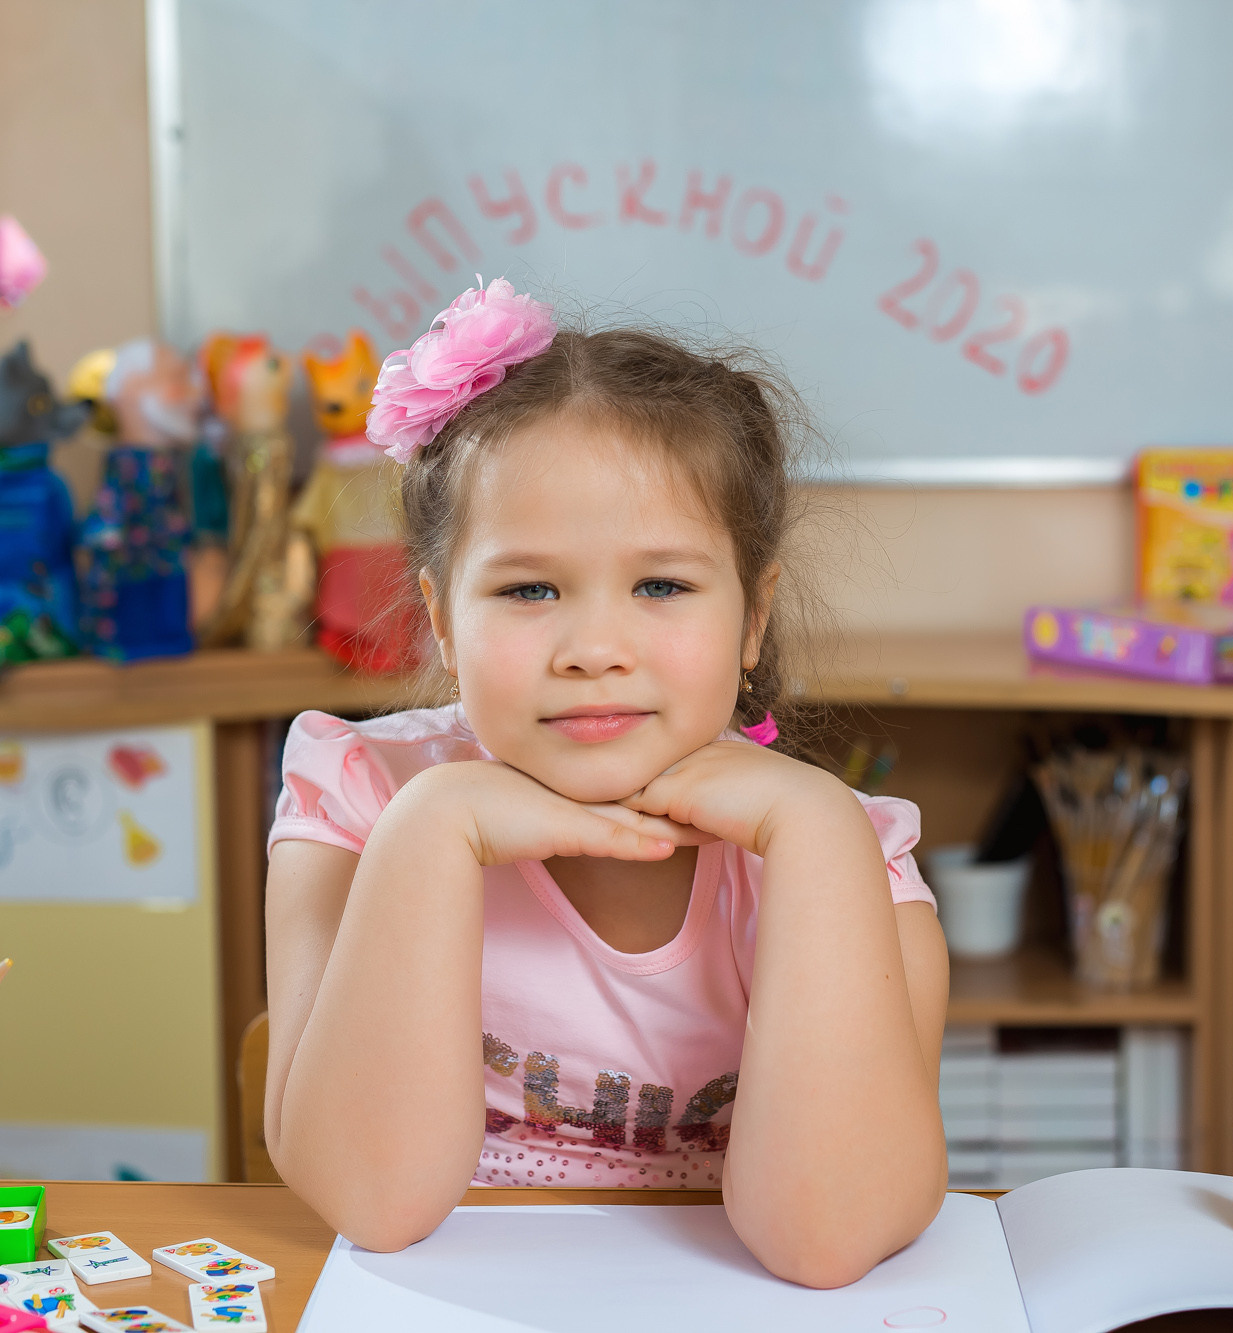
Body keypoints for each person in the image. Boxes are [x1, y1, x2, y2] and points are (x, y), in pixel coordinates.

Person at [262, 279, 950, 1288]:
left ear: (751, 616)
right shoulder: (361, 798)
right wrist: (432, 828)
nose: (593, 648)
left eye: (660, 586)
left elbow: (824, 1241)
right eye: (528, 588)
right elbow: (376, 1203)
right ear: (444, 618)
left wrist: (810, 829)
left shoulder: (840, 856)